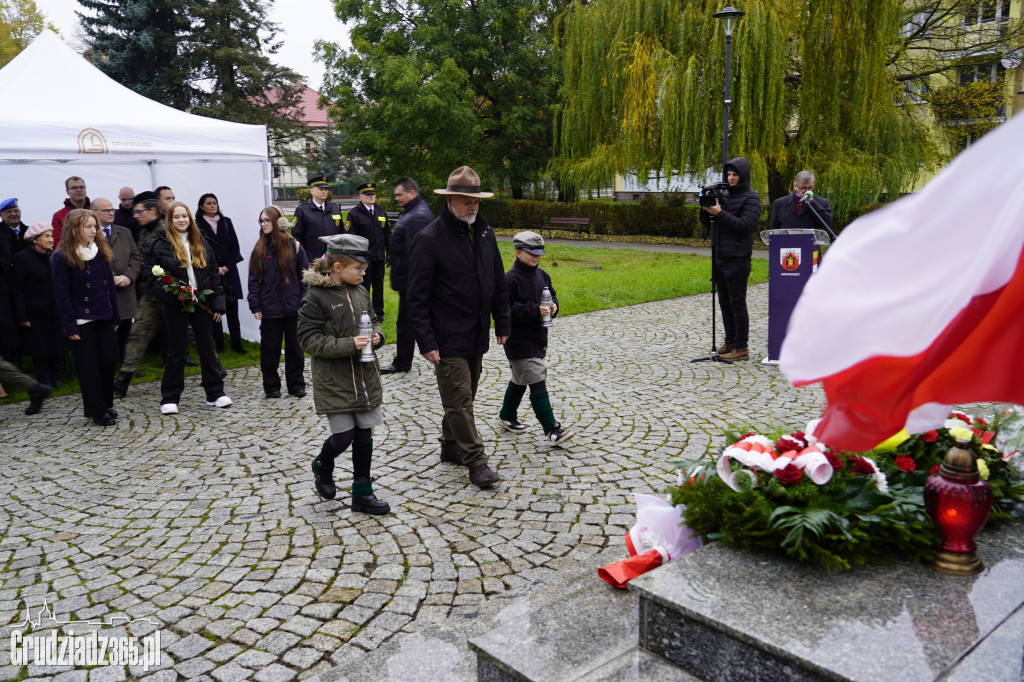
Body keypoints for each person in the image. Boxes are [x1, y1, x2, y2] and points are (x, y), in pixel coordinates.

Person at [407, 165, 511, 489]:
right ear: (450, 199)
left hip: (477, 332)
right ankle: (476, 463)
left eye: (476, 200)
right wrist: (425, 341)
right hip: (446, 337)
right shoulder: (429, 239)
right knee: (459, 401)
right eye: (467, 201)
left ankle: (450, 446)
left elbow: (497, 279)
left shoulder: (483, 231)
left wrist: (502, 320)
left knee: (464, 397)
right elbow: (416, 296)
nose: (473, 206)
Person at [297, 233, 389, 515]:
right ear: (337, 267)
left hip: (365, 376)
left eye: (364, 269)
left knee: (365, 434)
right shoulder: (316, 297)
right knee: (343, 436)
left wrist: (377, 336)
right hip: (334, 380)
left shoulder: (360, 290)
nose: (364, 274)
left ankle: (363, 494)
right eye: (358, 269)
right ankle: (323, 464)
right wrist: (350, 344)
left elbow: (373, 320)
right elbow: (308, 340)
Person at [142, 202, 232, 414]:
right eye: (176, 217)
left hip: (201, 302)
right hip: (176, 304)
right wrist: (173, 294)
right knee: (176, 350)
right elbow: (151, 276)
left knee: (207, 348)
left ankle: (215, 393)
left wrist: (218, 304)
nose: (181, 220)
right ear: (169, 220)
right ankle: (170, 397)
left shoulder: (201, 241)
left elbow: (212, 275)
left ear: (190, 218)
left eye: (184, 216)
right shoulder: (157, 244)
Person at [497, 231, 575, 445]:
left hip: (538, 337)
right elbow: (504, 309)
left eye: (539, 253)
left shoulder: (543, 275)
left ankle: (507, 416)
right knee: (536, 379)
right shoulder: (509, 279)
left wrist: (554, 307)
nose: (536, 257)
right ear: (517, 252)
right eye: (531, 253)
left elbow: (552, 296)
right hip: (519, 340)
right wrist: (534, 310)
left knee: (520, 379)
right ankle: (552, 430)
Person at [51, 209, 120, 426]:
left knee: (109, 360)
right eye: (87, 226)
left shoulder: (100, 251)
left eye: (94, 226)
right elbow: (62, 294)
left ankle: (106, 403)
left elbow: (109, 285)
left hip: (104, 316)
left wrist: (115, 316)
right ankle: (96, 410)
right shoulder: (61, 257)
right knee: (88, 366)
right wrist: (69, 326)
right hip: (81, 320)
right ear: (74, 229)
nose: (93, 231)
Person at [699, 157, 762, 361]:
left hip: (738, 257)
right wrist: (706, 210)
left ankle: (742, 347)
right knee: (724, 303)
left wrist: (720, 212)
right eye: (729, 174)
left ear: (743, 176)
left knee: (737, 303)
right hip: (720, 256)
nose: (731, 178)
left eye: (735, 174)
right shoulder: (723, 195)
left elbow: (745, 225)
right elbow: (710, 225)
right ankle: (731, 341)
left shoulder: (751, 197)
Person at [248, 205, 309, 398]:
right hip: (270, 309)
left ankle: (296, 385)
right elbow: (253, 279)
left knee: (295, 349)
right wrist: (255, 304)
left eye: (267, 220)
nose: (263, 224)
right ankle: (271, 386)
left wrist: (304, 302)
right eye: (261, 221)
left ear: (278, 222)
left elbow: (305, 277)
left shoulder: (295, 246)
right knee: (270, 351)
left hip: (293, 308)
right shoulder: (259, 248)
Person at [112, 191, 163, 396]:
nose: (135, 216)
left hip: (170, 295)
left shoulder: (166, 231)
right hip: (150, 296)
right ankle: (124, 378)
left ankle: (214, 369)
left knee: (192, 332)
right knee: (138, 334)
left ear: (152, 211)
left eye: (139, 212)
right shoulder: (143, 233)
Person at [380, 177, 433, 375]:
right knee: (409, 322)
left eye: (399, 194)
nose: (397, 198)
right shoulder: (412, 211)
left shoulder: (417, 216)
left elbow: (417, 254)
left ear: (412, 193)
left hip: (412, 281)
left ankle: (404, 361)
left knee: (408, 322)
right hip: (408, 280)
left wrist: (415, 283)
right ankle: (405, 360)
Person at [11, 222, 64, 389]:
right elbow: (16, 289)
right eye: (46, 236)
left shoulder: (54, 256)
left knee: (58, 343)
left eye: (51, 236)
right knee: (40, 347)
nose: (50, 239)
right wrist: (22, 316)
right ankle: (44, 379)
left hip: (55, 310)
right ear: (35, 240)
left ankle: (56, 377)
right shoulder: (22, 259)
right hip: (34, 312)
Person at [93, 198, 141, 362]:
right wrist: (111, 277)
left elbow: (136, 256)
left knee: (126, 329)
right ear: (94, 213)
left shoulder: (124, 231)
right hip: (104, 291)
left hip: (126, 289)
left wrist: (128, 276)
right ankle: (109, 362)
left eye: (111, 209)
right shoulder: (91, 234)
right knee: (107, 330)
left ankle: (126, 363)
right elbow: (93, 259)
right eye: (105, 210)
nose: (111, 212)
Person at [197, 193, 246, 353]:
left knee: (233, 311)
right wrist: (214, 268)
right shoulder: (197, 225)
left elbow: (235, 248)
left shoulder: (226, 222)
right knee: (214, 310)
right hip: (211, 273)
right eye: (209, 203)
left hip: (229, 272)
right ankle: (219, 344)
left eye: (215, 203)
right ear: (202, 206)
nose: (213, 206)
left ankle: (236, 344)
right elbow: (199, 250)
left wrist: (227, 267)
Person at [345, 182, 390, 321]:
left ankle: (379, 314)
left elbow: (387, 234)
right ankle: (364, 313)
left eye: (373, 194)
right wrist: (355, 259)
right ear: (361, 197)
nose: (371, 197)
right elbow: (350, 238)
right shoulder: (355, 214)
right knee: (363, 288)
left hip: (379, 256)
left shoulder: (380, 211)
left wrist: (390, 253)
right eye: (368, 194)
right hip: (363, 259)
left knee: (378, 287)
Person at [291, 174, 342, 262]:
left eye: (326, 189)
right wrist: (303, 258)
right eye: (321, 189)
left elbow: (341, 233)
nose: (324, 192)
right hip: (313, 260)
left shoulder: (334, 208)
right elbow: (297, 236)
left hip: (334, 259)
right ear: (312, 191)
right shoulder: (303, 210)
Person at [51, 176, 91, 243]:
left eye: (81, 187)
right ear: (67, 191)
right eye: (74, 188)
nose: (79, 190)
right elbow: (57, 243)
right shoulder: (58, 216)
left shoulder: (96, 211)